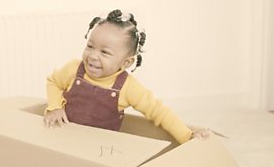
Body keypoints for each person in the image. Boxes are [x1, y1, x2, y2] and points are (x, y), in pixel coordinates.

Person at [44, 9, 209, 144]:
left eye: (104, 52)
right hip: (66, 138)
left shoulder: (128, 87)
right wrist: (55, 107)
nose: (93, 56)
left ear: (126, 62)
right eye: (90, 46)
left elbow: (159, 112)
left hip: (102, 148)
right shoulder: (74, 68)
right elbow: (53, 81)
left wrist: (187, 136)